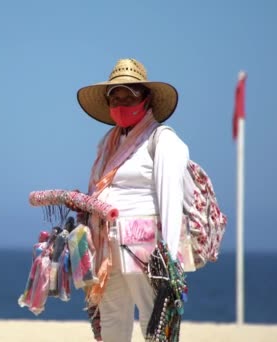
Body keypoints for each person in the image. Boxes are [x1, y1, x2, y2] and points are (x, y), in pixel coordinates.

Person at [75, 58, 189, 342]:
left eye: (130, 95)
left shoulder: (162, 140)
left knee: (155, 323)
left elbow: (170, 199)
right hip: (107, 248)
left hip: (147, 249)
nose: (122, 103)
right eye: (116, 97)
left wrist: (170, 259)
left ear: (146, 99)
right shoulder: (108, 143)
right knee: (112, 323)